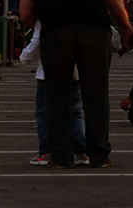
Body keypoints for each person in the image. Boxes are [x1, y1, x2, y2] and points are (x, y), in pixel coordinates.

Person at [17, 0, 133, 169]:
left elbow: (25, 13)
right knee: (96, 95)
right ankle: (99, 155)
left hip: (55, 34)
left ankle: (61, 156)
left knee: (56, 96)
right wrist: (126, 29)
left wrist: (47, 22)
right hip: (94, 31)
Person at [21, 20, 87, 166]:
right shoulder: (81, 14)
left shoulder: (47, 15)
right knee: (75, 112)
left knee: (44, 112)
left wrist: (24, 57)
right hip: (74, 71)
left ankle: (46, 151)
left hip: (47, 72)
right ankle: (80, 151)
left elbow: (37, 40)